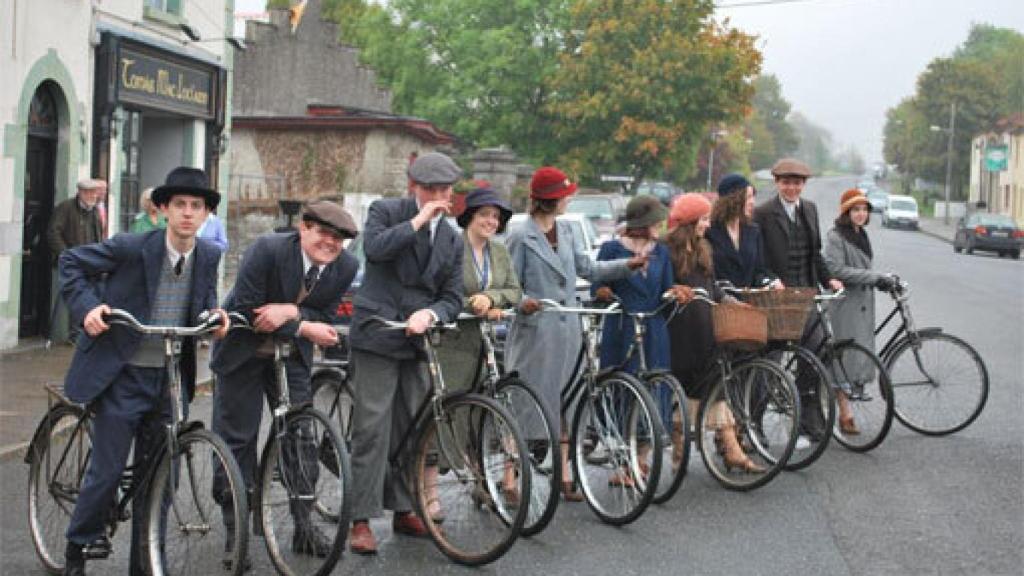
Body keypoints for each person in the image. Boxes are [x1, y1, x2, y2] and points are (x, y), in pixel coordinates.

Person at [58, 166, 227, 576]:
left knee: (160, 479)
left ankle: (147, 562)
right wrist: (88, 309)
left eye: (197, 206)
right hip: (123, 374)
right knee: (108, 470)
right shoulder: (133, 247)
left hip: (168, 380)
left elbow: (202, 299)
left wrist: (216, 315)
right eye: (180, 205)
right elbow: (70, 262)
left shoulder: (208, 254)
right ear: (164, 209)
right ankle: (76, 548)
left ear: (206, 215)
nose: (188, 213)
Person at [210, 199, 359, 561]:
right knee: (237, 438)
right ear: (303, 228)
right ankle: (236, 533)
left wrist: (291, 312)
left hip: (290, 353)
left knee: (301, 436)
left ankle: (304, 527)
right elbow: (245, 307)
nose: (330, 243)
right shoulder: (267, 250)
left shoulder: (346, 266)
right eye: (323, 233)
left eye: (339, 239)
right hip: (243, 350)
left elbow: (325, 311)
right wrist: (304, 324)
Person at [346, 152, 464, 555]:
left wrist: (431, 313)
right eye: (431, 190)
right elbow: (376, 250)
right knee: (372, 428)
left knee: (411, 427)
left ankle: (402, 507)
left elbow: (453, 296)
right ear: (414, 186)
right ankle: (359, 520)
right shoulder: (386, 211)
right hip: (378, 333)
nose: (439, 198)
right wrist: (417, 221)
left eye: (445, 191)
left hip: (416, 340)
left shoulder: (451, 237)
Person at [505, 166, 646, 501]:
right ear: (550, 199)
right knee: (525, 402)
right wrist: (524, 302)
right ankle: (509, 478)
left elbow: (589, 268)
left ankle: (566, 475)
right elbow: (506, 284)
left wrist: (627, 265)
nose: (569, 200)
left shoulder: (567, 231)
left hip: (568, 330)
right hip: (535, 332)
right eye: (565, 195)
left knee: (568, 402)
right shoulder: (520, 235)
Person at [663, 193, 763, 473]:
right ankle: (679, 458)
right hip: (680, 330)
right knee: (683, 391)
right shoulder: (667, 251)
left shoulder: (703, 249)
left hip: (706, 327)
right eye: (704, 219)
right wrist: (675, 291)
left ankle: (732, 450)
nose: (707, 224)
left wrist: (731, 301)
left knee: (714, 386)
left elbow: (712, 287)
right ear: (690, 221)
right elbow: (661, 286)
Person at [753, 158, 843, 441]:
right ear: (777, 183)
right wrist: (769, 278)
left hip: (806, 295)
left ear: (804, 185)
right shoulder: (763, 213)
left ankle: (809, 420)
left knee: (815, 358)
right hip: (777, 300)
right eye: (786, 182)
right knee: (770, 361)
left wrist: (828, 279)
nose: (791, 188)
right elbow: (757, 259)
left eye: (797, 183)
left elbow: (815, 254)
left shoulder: (811, 210)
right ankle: (754, 425)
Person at [824, 189, 896, 435]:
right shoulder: (836, 236)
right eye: (855, 210)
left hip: (861, 304)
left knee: (856, 357)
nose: (861, 214)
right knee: (843, 359)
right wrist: (874, 277)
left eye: (864, 210)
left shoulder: (861, 235)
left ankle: (846, 407)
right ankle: (845, 414)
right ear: (846, 212)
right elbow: (834, 269)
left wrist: (883, 279)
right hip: (844, 305)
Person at [47, 178, 106, 342]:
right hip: (72, 262)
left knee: (90, 296)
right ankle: (74, 335)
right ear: (80, 193)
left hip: (90, 263)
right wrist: (65, 255)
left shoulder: (94, 211)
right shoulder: (66, 208)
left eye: (94, 193)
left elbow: (98, 236)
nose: (92, 196)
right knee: (74, 295)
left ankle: (82, 332)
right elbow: (53, 232)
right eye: (88, 193)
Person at [705, 174, 778, 289]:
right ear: (733, 199)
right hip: (718, 302)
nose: (753, 202)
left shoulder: (753, 231)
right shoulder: (708, 231)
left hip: (748, 303)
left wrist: (769, 282)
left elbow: (758, 271)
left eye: (753, 197)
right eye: (748, 197)